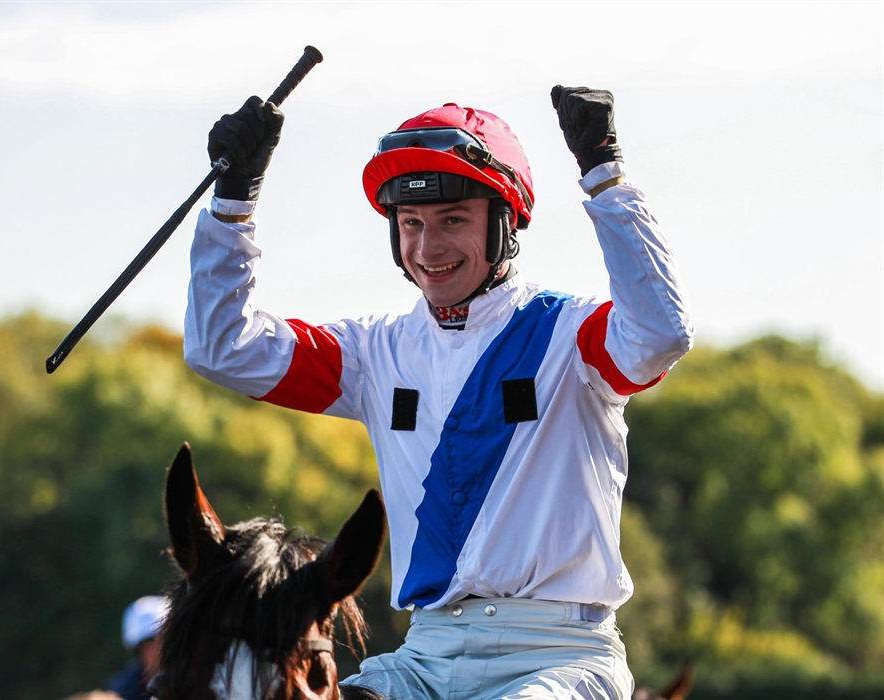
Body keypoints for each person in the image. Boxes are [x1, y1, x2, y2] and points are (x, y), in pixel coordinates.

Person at [184, 85, 693, 700]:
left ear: (506, 223)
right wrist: (234, 203)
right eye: (411, 224)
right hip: (422, 658)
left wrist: (606, 176)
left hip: (560, 661)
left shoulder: (574, 334)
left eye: (453, 221)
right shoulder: (374, 352)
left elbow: (661, 332)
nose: (428, 249)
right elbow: (221, 348)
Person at [105, 595, 168, 700]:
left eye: (163, 639)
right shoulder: (123, 689)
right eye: (150, 642)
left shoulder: (193, 677)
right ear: (138, 650)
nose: (159, 647)